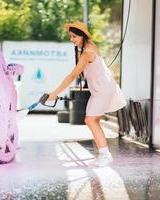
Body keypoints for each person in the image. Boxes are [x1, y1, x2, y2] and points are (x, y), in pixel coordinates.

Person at [47, 21, 126, 166]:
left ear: (82, 36)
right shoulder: (89, 46)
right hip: (101, 88)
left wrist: (54, 93)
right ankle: (104, 153)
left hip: (103, 89)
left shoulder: (87, 53)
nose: (72, 39)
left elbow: (72, 76)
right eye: (70, 36)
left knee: (91, 120)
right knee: (91, 120)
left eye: (74, 37)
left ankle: (105, 155)